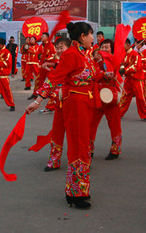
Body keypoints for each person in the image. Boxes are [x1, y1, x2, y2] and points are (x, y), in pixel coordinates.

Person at [26, 22, 101, 210]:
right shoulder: (71, 55)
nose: (93, 38)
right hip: (75, 105)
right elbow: (54, 78)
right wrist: (38, 100)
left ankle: (80, 188)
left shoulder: (85, 54)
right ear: (82, 37)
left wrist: (103, 74)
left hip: (85, 104)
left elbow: (90, 76)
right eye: (91, 35)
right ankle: (73, 194)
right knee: (77, 147)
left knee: (83, 145)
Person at [27, 37, 72, 171]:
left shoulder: (77, 61)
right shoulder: (58, 63)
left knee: (75, 134)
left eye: (61, 48)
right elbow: (51, 82)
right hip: (60, 102)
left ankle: (80, 160)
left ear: (69, 48)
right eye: (57, 48)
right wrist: (37, 101)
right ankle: (54, 160)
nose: (58, 50)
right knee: (57, 132)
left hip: (74, 104)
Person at [89, 39, 123, 160]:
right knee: (91, 124)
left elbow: (119, 79)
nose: (103, 50)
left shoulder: (114, 62)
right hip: (97, 97)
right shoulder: (94, 62)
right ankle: (89, 149)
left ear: (111, 50)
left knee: (114, 124)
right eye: (102, 47)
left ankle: (115, 150)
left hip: (110, 98)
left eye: (106, 47)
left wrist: (114, 76)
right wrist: (102, 74)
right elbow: (92, 77)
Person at [119, 39, 146, 120]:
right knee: (125, 96)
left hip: (137, 79)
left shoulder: (134, 54)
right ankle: (119, 113)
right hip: (129, 78)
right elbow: (122, 64)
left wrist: (125, 70)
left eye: (123, 45)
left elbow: (136, 66)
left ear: (128, 45)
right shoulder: (125, 54)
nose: (122, 47)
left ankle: (145, 115)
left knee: (140, 98)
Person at [32, 32, 56, 98]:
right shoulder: (41, 46)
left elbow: (54, 55)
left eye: (43, 36)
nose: (41, 37)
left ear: (47, 38)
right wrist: (40, 56)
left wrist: (46, 58)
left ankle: (52, 93)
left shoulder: (51, 45)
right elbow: (38, 54)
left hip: (49, 66)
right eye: (41, 36)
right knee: (38, 80)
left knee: (51, 80)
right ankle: (36, 93)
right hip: (42, 66)